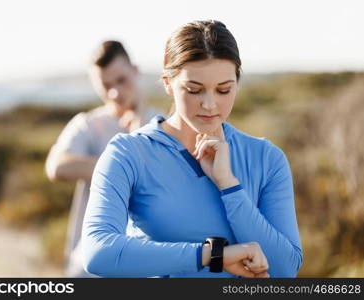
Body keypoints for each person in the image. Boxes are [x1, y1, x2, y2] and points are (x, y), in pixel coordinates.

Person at [81, 20, 303, 278]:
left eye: (223, 90)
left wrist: (229, 186)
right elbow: (98, 252)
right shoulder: (127, 154)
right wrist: (213, 256)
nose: (209, 104)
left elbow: (286, 270)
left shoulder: (266, 158)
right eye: (194, 90)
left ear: (237, 83)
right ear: (168, 83)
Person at [45, 40, 156, 277]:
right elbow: (57, 167)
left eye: (121, 80)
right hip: (89, 264)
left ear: (135, 72)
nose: (114, 92)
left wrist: (139, 125)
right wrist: (120, 167)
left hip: (145, 264)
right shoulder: (87, 123)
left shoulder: (162, 123)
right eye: (105, 85)